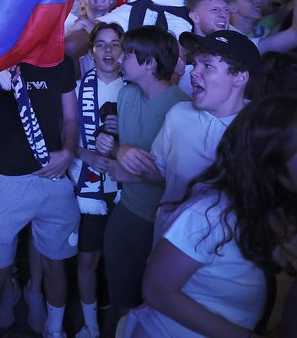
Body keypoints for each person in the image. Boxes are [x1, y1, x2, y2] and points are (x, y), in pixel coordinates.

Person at [124, 96, 297, 337]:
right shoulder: (207, 216)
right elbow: (156, 290)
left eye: (208, 65)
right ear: (270, 155)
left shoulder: (287, 216)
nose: (196, 72)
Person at [0, 59, 79, 338]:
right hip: (6, 182)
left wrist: (67, 152)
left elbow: (71, 118)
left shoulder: (61, 62)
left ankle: (54, 328)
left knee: (55, 262)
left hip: (52, 177)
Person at [96, 26, 189, 327]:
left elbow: (182, 176)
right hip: (129, 212)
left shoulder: (182, 107)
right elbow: (123, 154)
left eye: (128, 53)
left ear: (149, 64)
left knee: (156, 308)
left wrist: (133, 169)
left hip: (166, 224)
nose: (119, 58)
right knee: (122, 300)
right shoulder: (126, 94)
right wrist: (118, 148)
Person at [149, 30, 260, 239]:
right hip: (166, 250)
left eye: (207, 65)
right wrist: (124, 154)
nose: (193, 72)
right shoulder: (178, 115)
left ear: (239, 77)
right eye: (195, 63)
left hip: (229, 265)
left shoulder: (261, 129)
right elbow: (159, 171)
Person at [70, 22, 124, 338]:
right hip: (87, 187)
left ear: (124, 50)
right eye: (101, 44)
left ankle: (117, 321)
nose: (107, 51)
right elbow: (61, 138)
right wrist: (85, 154)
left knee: (120, 261)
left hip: (124, 188)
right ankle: (90, 326)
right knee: (88, 259)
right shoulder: (78, 88)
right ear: (91, 51)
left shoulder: (134, 89)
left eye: (115, 44)